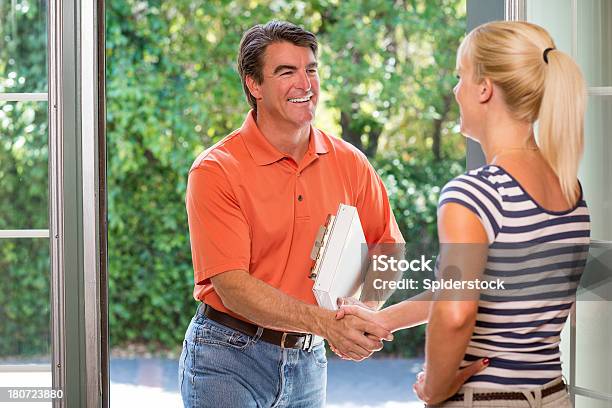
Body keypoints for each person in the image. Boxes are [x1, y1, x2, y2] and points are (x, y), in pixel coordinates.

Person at [338, 21, 589, 407]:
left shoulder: (475, 193)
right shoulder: (568, 191)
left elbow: (456, 313)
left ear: (485, 88)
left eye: (460, 77)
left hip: (488, 398)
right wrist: (383, 320)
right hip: (554, 394)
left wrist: (436, 388)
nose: (455, 90)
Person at [179, 20, 404, 408]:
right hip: (228, 358)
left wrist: (361, 313)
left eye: (311, 69)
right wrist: (328, 324)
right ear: (254, 85)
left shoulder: (350, 162)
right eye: (286, 71)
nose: (305, 83)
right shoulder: (217, 169)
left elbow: (388, 245)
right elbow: (233, 286)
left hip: (309, 359)